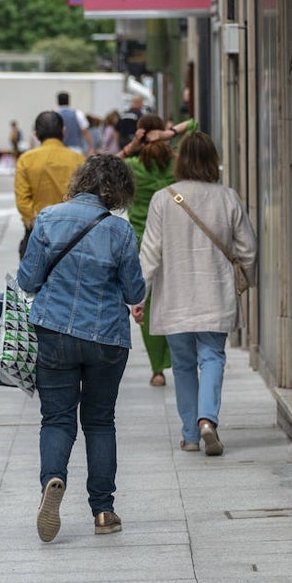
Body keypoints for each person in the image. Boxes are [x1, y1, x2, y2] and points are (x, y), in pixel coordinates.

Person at [18, 154, 145, 543]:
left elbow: (28, 279)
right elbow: (134, 291)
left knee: (56, 418)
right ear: (119, 189)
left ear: (80, 180)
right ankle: (103, 511)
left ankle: (52, 480)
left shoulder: (48, 218)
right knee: (100, 421)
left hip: (53, 332)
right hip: (106, 336)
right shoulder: (121, 232)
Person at [137, 132, 257, 457]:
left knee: (183, 364)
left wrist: (137, 295)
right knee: (212, 356)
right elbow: (247, 248)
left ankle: (190, 433)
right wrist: (248, 277)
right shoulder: (228, 197)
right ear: (212, 161)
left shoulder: (163, 198)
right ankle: (208, 420)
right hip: (215, 294)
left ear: (181, 161)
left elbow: (150, 252)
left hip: (174, 298)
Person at [121, 113, 198, 386]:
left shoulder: (131, 166)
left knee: (149, 303)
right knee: (180, 298)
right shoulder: (177, 164)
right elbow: (195, 126)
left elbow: (105, 167)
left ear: (141, 133)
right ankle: (180, 358)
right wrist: (169, 134)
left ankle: (157, 370)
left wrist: (132, 145)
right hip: (179, 239)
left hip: (143, 241)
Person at [14, 111, 85, 260]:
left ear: (36, 134)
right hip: (73, 235)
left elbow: (22, 198)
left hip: (37, 231)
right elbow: (86, 197)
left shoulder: (26, 160)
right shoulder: (78, 160)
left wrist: (32, 220)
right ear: (63, 131)